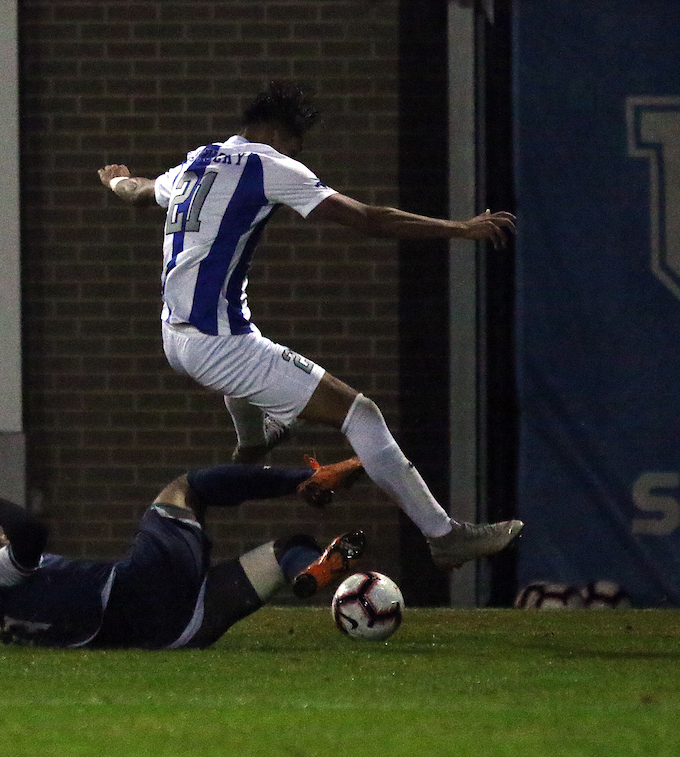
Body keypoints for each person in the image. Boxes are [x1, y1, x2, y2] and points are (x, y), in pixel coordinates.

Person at [96, 80, 522, 571]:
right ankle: (444, 535)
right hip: (216, 345)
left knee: (251, 345)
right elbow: (369, 218)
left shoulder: (200, 161)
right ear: (278, 134)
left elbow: (141, 190)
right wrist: (459, 229)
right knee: (360, 414)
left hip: (174, 334)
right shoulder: (270, 166)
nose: (301, 154)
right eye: (298, 145)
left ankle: (254, 439)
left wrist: (113, 182)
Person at [0, 457, 366, 649]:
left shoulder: (10, 624)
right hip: (145, 586)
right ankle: (310, 478)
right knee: (185, 489)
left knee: (286, 549)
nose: (4, 540)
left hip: (176, 632)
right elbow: (31, 531)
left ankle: (310, 568)